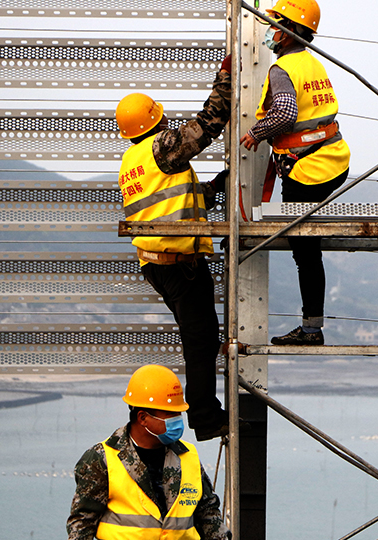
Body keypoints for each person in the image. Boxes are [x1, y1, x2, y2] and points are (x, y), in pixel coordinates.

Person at [115, 56, 232, 441]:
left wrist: (217, 186)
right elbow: (209, 124)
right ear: (156, 121)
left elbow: (175, 202)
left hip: (157, 265)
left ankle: (204, 414)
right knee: (201, 342)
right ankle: (206, 418)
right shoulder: (160, 148)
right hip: (180, 265)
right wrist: (225, 80)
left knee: (198, 336)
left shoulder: (132, 162)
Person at [240, 0, 350, 346]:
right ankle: (311, 326)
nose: (270, 31)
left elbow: (286, 113)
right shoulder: (311, 64)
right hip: (333, 160)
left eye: (275, 24)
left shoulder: (283, 68)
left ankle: (311, 329)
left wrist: (256, 133)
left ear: (290, 31)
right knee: (308, 247)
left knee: (306, 251)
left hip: (308, 170)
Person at [67, 365, 230, 540]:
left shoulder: (187, 456)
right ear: (143, 418)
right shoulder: (103, 458)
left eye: (178, 414)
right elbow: (82, 524)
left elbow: (208, 513)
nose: (177, 420)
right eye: (170, 414)